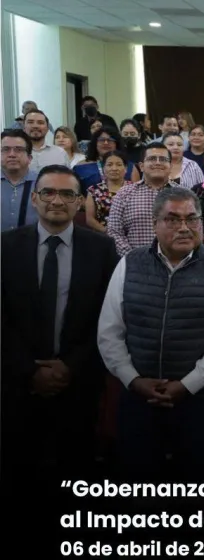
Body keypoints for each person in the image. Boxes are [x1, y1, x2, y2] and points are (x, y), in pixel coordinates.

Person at [97, 188, 204, 481]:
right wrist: (133, 380)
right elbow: (109, 332)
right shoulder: (130, 263)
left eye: (192, 219)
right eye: (173, 219)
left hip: (196, 399)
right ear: (154, 224)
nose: (184, 227)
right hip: (138, 398)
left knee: (192, 482)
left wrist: (187, 385)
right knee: (138, 483)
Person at [1, 165, 118, 487]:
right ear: (35, 198)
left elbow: (108, 318)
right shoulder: (5, 247)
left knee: (76, 474)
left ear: (80, 202)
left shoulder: (102, 249)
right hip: (17, 383)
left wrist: (70, 367)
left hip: (78, 382)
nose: (57, 200)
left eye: (67, 194)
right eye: (48, 192)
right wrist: (30, 371)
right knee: (19, 472)